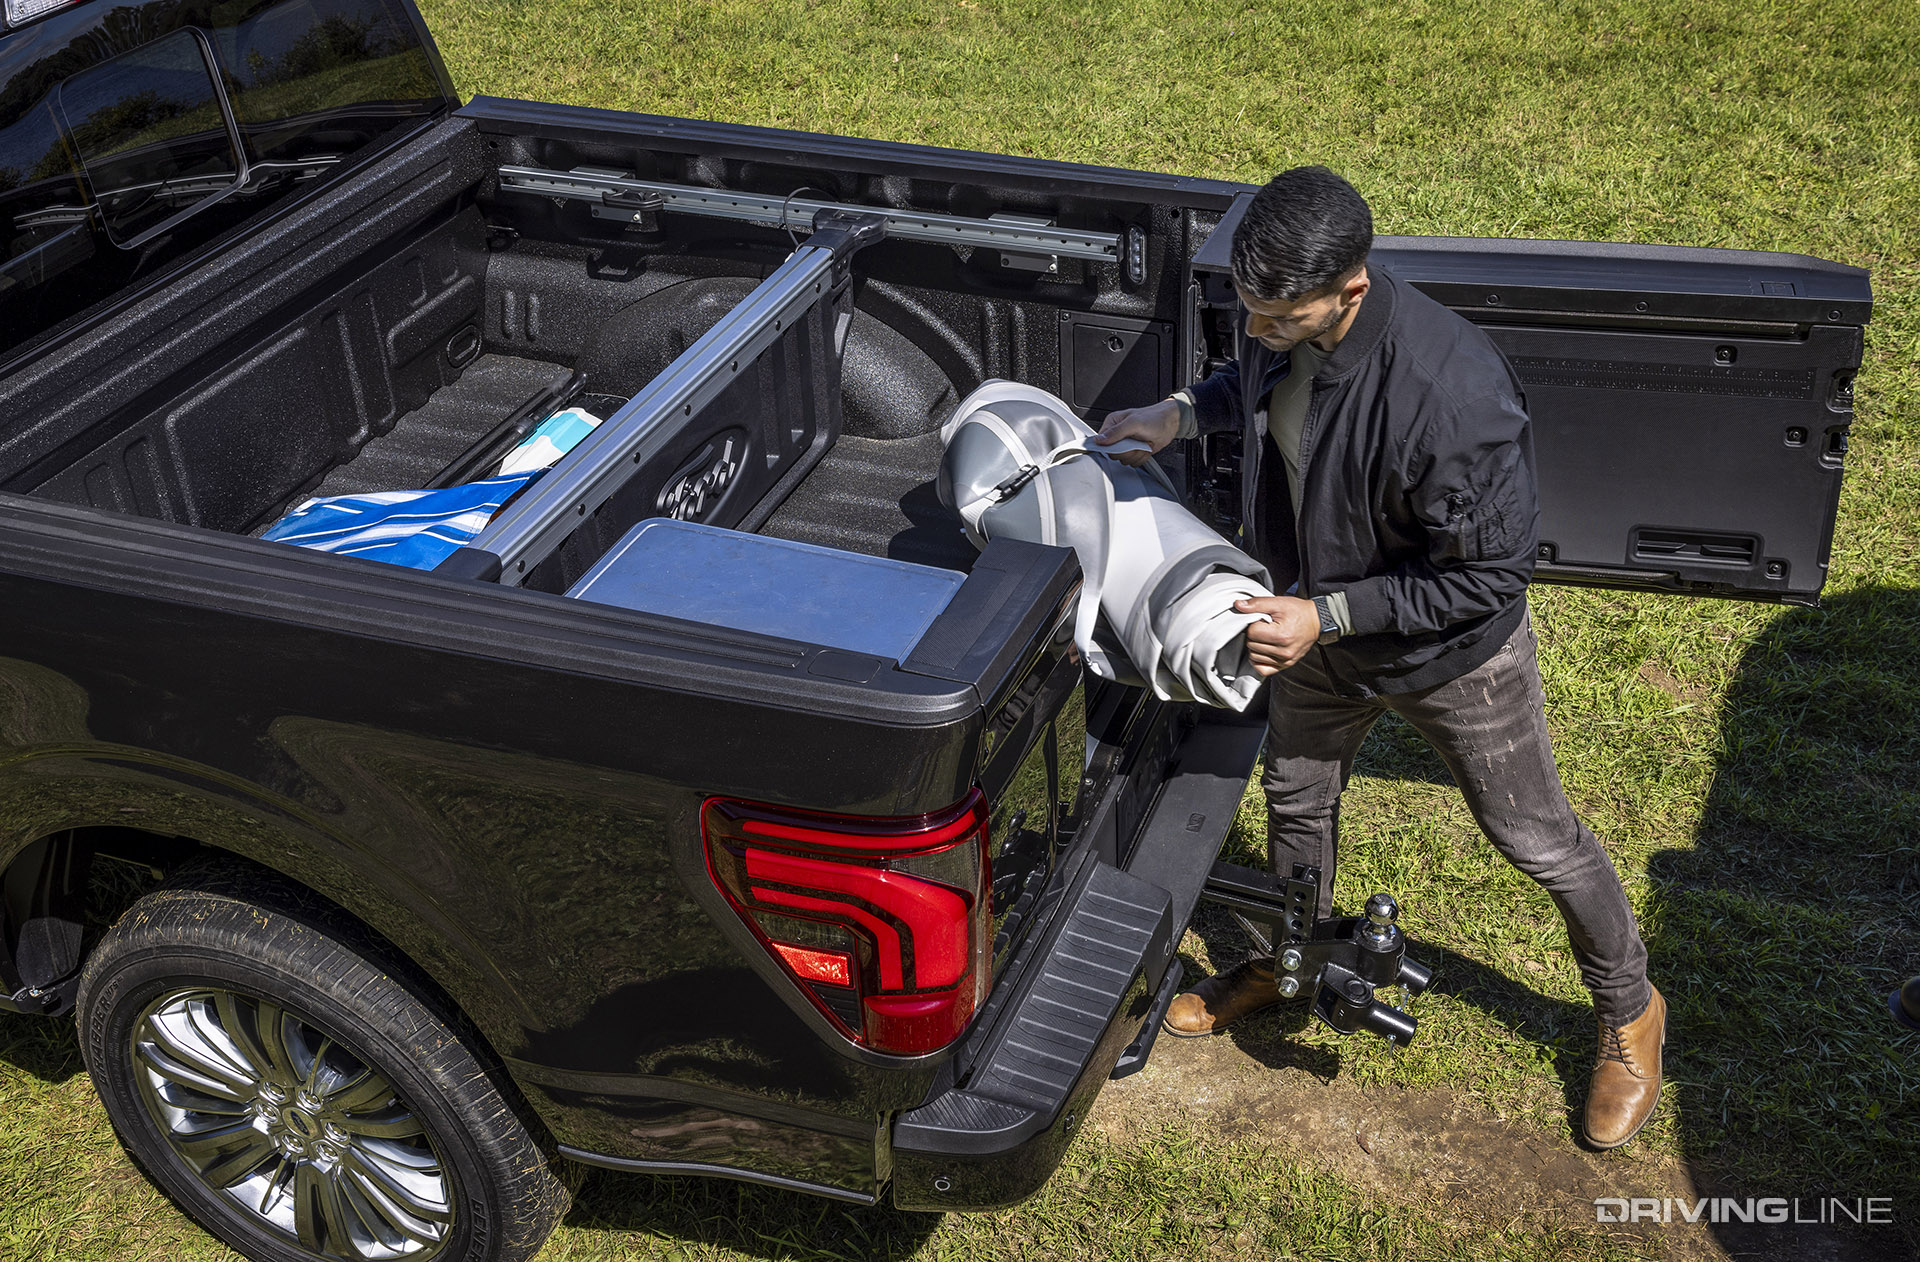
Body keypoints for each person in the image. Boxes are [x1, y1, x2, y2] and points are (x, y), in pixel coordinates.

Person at [1094, 166, 1664, 1150]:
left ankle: (1632, 1007)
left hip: (1450, 658)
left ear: (1350, 290)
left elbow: (1486, 576)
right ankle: (1290, 960)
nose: (1252, 321)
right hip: (1317, 625)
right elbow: (1260, 384)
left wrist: (1331, 612)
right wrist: (1181, 412)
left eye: (1276, 312)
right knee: (1297, 798)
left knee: (1536, 837)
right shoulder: (1281, 315)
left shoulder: (1457, 397)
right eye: (1247, 300)